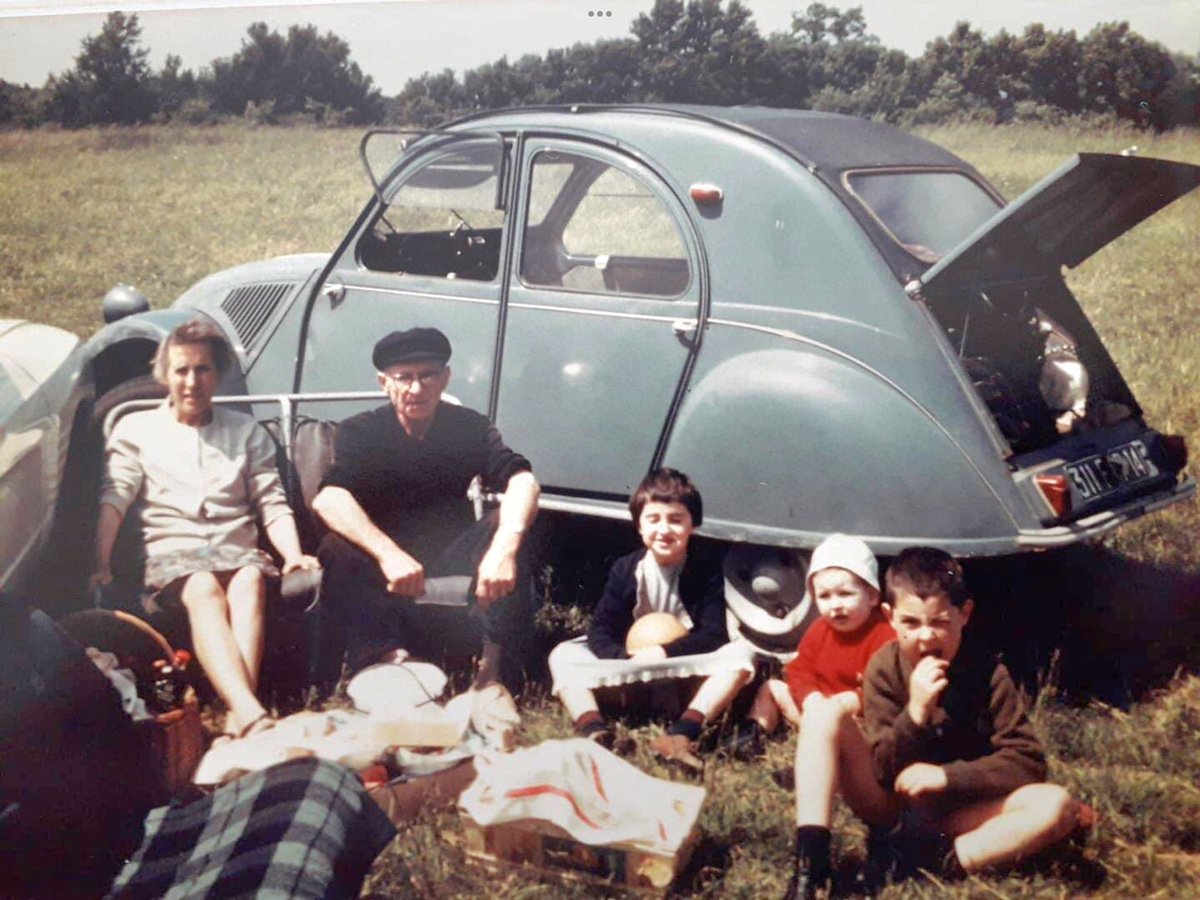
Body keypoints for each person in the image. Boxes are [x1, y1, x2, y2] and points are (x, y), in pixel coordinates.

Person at [91, 320, 319, 739]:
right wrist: (101, 562)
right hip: (175, 555)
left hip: (239, 551)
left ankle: (239, 714)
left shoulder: (243, 431)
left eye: (203, 370)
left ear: (218, 375)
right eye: (181, 370)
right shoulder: (137, 430)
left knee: (250, 579)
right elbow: (114, 499)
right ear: (164, 374)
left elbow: (271, 502)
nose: (192, 381)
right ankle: (251, 711)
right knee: (202, 587)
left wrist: (292, 555)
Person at [312, 327, 539, 688]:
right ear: (384, 382)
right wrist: (388, 554)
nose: (416, 389)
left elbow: (523, 481)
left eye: (428, 376)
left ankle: (494, 668)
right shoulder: (362, 431)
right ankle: (386, 658)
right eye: (404, 378)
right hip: (382, 562)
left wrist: (503, 549)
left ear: (445, 378)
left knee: (514, 527)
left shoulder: (469, 427)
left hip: (449, 551)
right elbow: (329, 498)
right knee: (336, 546)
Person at [862, 546, 1094, 883]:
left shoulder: (987, 670)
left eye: (940, 622)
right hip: (911, 814)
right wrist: (915, 714)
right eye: (910, 622)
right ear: (889, 617)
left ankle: (939, 862)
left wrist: (947, 777)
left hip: (974, 807)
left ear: (964, 614)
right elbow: (882, 771)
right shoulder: (883, 670)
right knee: (1063, 818)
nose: (926, 636)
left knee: (1055, 804)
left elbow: (1027, 761)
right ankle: (928, 849)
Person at [547, 468, 755, 768]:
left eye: (675, 519)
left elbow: (714, 634)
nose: (664, 529)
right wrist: (624, 657)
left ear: (692, 525)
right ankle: (594, 730)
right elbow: (600, 629)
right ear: (639, 527)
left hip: (683, 663)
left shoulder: (706, 569)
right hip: (633, 664)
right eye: (653, 519)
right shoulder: (626, 569)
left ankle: (684, 731)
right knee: (563, 655)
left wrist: (663, 652)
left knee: (742, 653)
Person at [781, 534, 899, 900]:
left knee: (823, 715)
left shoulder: (886, 634)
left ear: (874, 595)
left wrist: (855, 699)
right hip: (829, 722)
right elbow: (799, 671)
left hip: (871, 752)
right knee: (784, 693)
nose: (835, 606)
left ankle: (813, 857)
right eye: (825, 596)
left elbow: (895, 686)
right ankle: (810, 861)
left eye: (846, 594)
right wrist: (811, 696)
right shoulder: (820, 631)